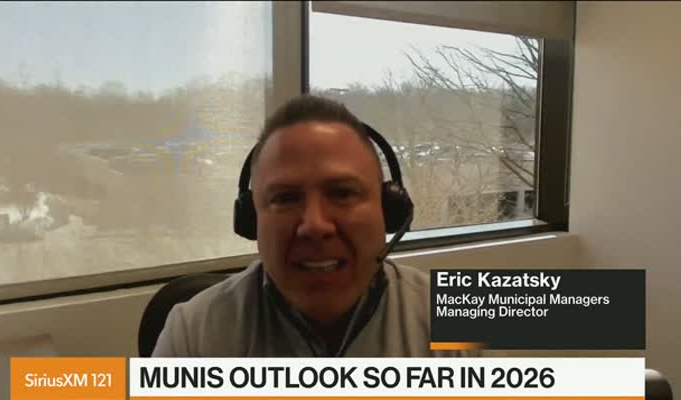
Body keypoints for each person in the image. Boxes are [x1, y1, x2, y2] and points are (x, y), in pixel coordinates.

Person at [152, 94, 465, 357]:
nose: (314, 225)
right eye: (285, 198)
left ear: (388, 210)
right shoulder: (191, 333)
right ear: (252, 220)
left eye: (342, 193)